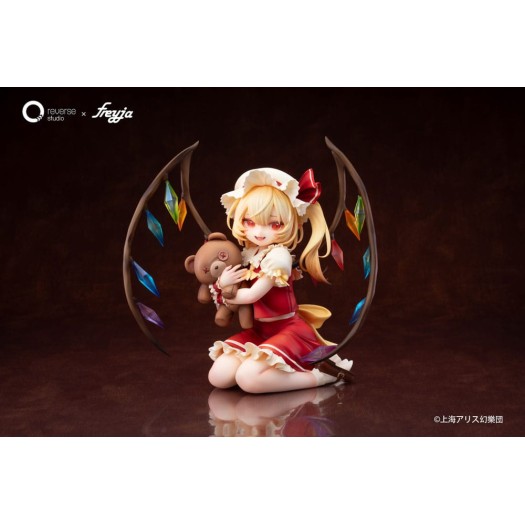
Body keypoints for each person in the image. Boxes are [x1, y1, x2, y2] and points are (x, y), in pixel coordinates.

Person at [208, 168, 353, 393]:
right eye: (249, 221)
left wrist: (224, 287)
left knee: (248, 380)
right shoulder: (250, 254)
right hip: (260, 331)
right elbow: (232, 300)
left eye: (274, 224)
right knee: (218, 377)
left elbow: (252, 295)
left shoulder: (278, 257)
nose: (259, 232)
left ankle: (319, 377)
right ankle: (269, 371)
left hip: (287, 331)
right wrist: (222, 286)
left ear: (291, 224)